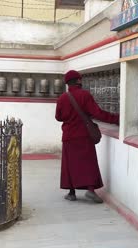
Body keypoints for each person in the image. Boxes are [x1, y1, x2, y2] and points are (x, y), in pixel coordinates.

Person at [55, 70, 119, 203]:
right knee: (88, 163)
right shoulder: (85, 95)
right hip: (83, 135)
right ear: (78, 81)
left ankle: (71, 192)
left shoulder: (62, 98)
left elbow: (58, 117)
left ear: (67, 83)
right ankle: (90, 190)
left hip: (68, 136)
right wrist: (116, 119)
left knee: (69, 164)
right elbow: (98, 113)